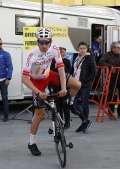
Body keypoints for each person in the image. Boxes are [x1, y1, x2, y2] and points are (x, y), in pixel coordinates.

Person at [22, 27, 82, 156]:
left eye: (46, 42)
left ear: (51, 41)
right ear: (37, 42)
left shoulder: (54, 48)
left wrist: (64, 88)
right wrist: (38, 92)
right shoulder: (31, 55)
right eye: (41, 42)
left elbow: (61, 69)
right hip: (36, 82)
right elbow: (24, 78)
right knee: (40, 113)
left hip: (49, 75)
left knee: (77, 84)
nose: (44, 45)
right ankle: (32, 142)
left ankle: (69, 103)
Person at [98, 41, 120, 118]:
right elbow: (101, 62)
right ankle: (111, 112)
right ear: (113, 48)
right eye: (118, 47)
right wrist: (110, 66)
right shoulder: (107, 55)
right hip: (112, 77)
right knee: (111, 95)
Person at [72, 42, 97, 133]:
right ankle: (85, 121)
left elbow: (94, 72)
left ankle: (84, 123)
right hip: (75, 84)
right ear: (78, 49)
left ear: (87, 49)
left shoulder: (90, 59)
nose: (82, 50)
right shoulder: (77, 58)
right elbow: (74, 70)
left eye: (84, 48)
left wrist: (84, 81)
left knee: (84, 105)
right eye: (81, 48)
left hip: (85, 85)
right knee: (73, 103)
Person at [50, 47, 71, 129]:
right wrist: (55, 67)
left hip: (64, 86)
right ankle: (60, 122)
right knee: (58, 106)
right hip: (55, 86)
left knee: (65, 105)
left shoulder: (67, 61)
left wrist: (62, 67)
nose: (63, 54)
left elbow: (69, 71)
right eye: (61, 52)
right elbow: (49, 72)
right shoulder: (52, 61)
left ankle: (67, 122)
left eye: (64, 52)